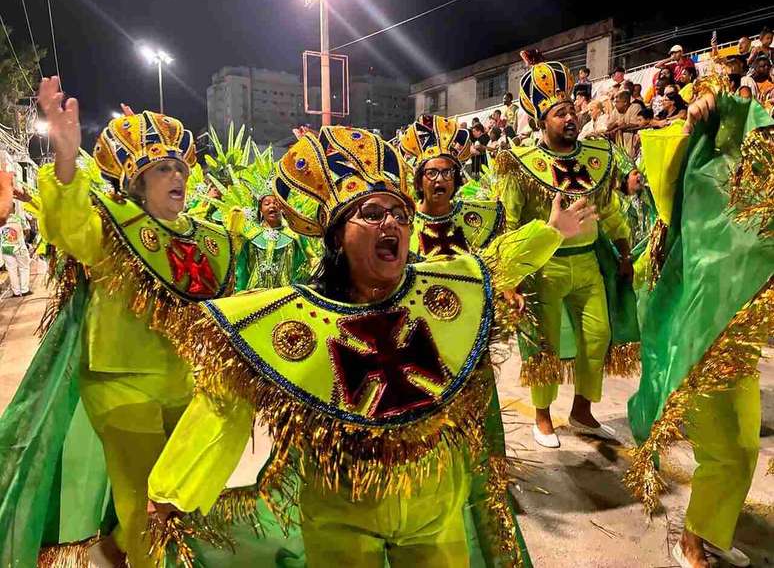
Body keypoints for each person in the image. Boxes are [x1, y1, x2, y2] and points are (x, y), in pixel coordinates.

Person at [146, 125, 597, 567]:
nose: (393, 224)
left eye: (400, 214)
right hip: (341, 513)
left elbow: (492, 266)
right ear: (338, 237)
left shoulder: (438, 287)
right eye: (373, 213)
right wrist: (169, 492)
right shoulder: (289, 318)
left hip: (435, 507)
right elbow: (222, 407)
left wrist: (551, 231)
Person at [0, 76, 238, 568]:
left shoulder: (211, 237)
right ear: (136, 182)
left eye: (180, 167)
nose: (178, 176)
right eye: (163, 169)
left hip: (185, 384)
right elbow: (68, 229)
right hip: (119, 384)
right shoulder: (109, 226)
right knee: (144, 502)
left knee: (182, 499)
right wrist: (66, 158)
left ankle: (117, 550)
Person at [626, 82, 772, 568]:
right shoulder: (708, 169)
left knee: (744, 447)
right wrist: (692, 128)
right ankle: (690, 540)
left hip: (740, 339)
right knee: (721, 444)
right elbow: (667, 193)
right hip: (698, 332)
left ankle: (709, 529)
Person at [496, 59, 637, 450]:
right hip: (545, 268)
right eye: (560, 113)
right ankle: (542, 415)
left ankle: (582, 411)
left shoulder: (596, 156)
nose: (570, 117)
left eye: (572, 111)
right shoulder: (521, 164)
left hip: (590, 262)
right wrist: (509, 277)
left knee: (598, 337)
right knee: (545, 346)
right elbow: (507, 225)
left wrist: (623, 251)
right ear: (543, 121)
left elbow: (609, 210)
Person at [400, 115, 504, 257]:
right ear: (419, 182)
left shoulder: (482, 217)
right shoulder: (403, 225)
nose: (440, 179)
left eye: (447, 172)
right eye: (432, 173)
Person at [0, 200, 32, 297]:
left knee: (11, 269)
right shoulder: (18, 218)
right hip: (19, 247)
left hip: (7, 248)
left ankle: (16, 292)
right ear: (13, 209)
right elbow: (27, 231)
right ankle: (25, 289)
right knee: (24, 267)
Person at [607, 90, 643, 159]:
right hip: (619, 146)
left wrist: (618, 128)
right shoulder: (615, 111)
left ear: (625, 102)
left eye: (617, 102)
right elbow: (608, 127)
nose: (615, 104)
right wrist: (616, 123)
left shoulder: (635, 107)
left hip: (633, 144)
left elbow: (635, 124)